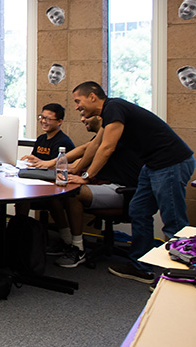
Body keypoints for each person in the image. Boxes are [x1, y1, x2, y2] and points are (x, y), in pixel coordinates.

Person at [71, 81, 195, 283]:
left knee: (174, 221)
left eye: (78, 101)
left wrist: (86, 177)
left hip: (171, 162)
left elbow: (107, 148)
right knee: (138, 210)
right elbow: (95, 145)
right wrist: (76, 170)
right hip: (153, 164)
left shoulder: (114, 107)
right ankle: (141, 266)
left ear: (92, 96)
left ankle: (179, 278)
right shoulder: (108, 115)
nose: (77, 107)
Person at [31, 114, 143, 268]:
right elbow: (81, 157)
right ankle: (67, 240)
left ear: (100, 118)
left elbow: (89, 157)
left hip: (121, 190)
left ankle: (78, 249)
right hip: (106, 187)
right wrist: (45, 165)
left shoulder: (112, 140)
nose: (82, 119)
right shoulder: (98, 139)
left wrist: (79, 174)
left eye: (86, 115)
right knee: (58, 192)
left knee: (73, 193)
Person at [17, 103, 77, 252]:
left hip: (54, 183)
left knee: (53, 199)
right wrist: (30, 160)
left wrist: (41, 165)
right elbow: (38, 161)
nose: (44, 121)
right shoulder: (41, 139)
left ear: (59, 121)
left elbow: (57, 167)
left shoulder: (63, 142)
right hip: (38, 180)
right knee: (21, 195)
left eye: (48, 119)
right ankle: (19, 232)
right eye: (42, 117)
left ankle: (66, 238)